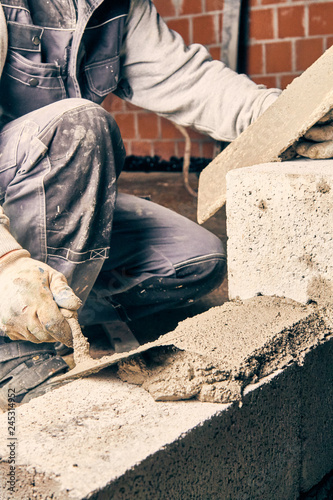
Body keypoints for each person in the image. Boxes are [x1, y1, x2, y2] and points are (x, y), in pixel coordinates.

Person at [0, 0, 332, 408]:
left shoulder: (115, 6)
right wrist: (6, 260)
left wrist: (274, 115)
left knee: (194, 262)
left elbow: (183, 77)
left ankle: (54, 312)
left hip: (48, 198)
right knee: (79, 127)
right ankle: (10, 351)